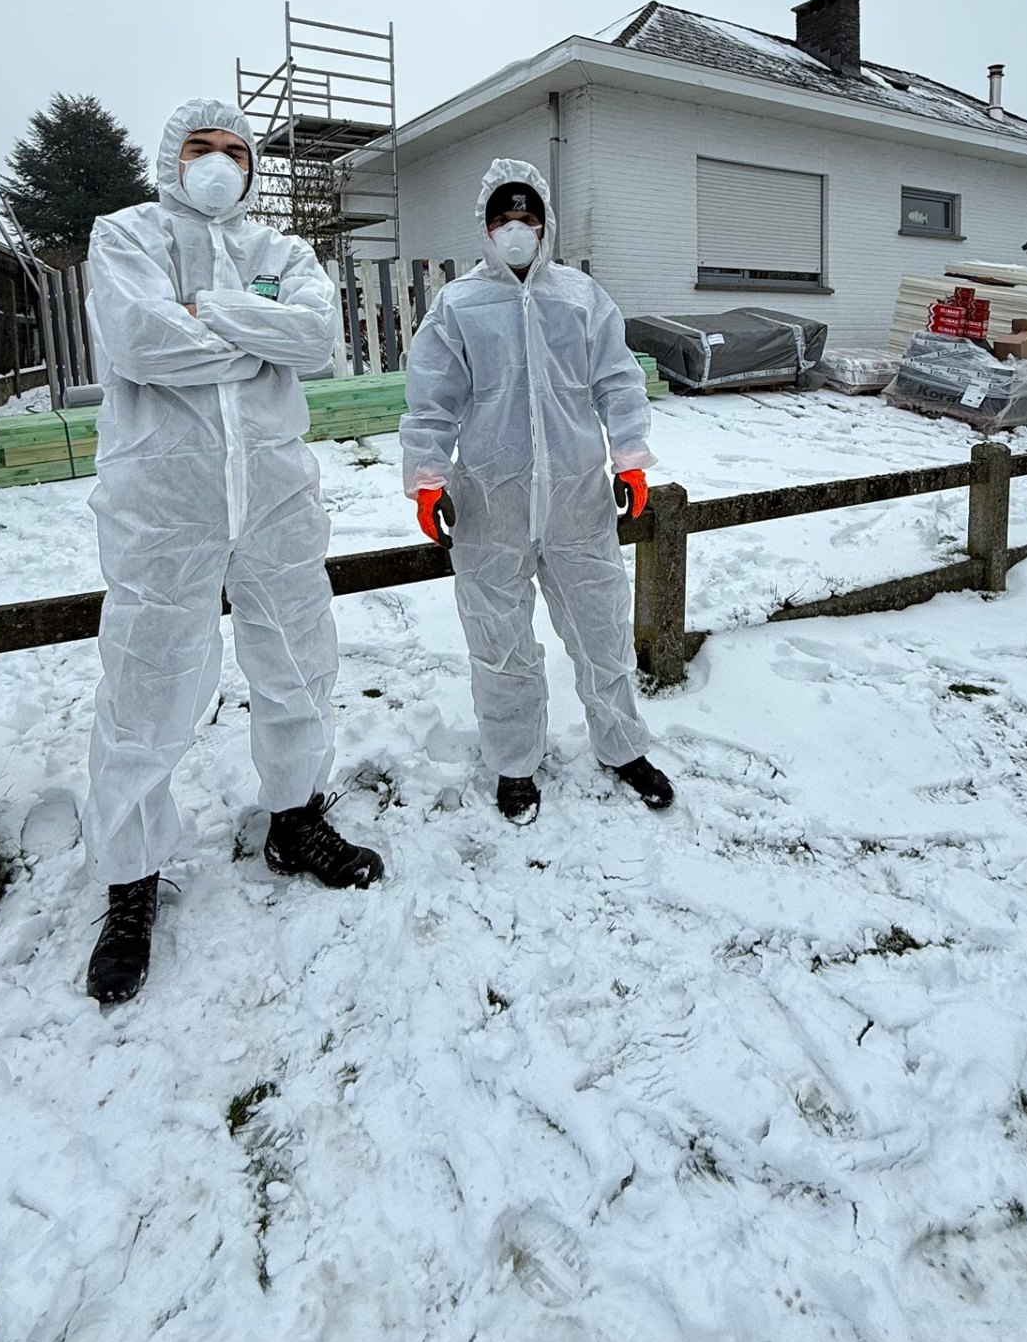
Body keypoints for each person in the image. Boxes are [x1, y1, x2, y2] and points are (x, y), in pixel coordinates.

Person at [81, 98, 382, 1006]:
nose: (219, 163)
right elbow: (137, 341)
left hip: (276, 496)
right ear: (172, 159)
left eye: (235, 151)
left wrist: (205, 311)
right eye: (202, 149)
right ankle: (130, 882)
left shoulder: (282, 253)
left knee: (297, 655)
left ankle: (295, 817)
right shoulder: (125, 235)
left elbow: (317, 338)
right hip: (162, 499)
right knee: (148, 678)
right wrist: (255, 336)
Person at [399, 157, 675, 824]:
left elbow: (617, 378)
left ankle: (621, 746)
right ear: (485, 226)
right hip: (492, 502)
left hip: (579, 498)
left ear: (545, 223)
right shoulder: (459, 305)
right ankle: (514, 763)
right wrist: (428, 480)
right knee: (500, 642)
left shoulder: (579, 296)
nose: (515, 227)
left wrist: (630, 459)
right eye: (503, 216)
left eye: (527, 215)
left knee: (602, 631)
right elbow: (432, 401)